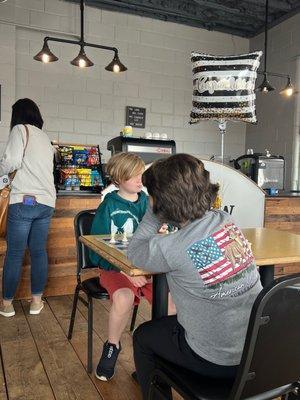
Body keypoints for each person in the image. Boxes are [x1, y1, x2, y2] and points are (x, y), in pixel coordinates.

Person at [127, 153, 263, 400]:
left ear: (162, 202)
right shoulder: (226, 222)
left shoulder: (170, 248)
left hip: (215, 361)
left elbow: (135, 252)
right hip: (256, 351)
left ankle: (153, 383)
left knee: (144, 337)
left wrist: (152, 212)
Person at [89, 152, 151, 382]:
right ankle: (112, 346)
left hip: (146, 269)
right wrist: (128, 273)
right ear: (118, 179)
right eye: (133, 175)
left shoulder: (147, 201)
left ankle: (155, 357)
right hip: (115, 269)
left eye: (140, 174)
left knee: (172, 299)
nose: (139, 179)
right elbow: (98, 249)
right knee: (124, 298)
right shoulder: (108, 206)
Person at [0, 98, 56, 318]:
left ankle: (6, 305)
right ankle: (36, 302)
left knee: (15, 253)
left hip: (24, 200)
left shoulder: (20, 130)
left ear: (17, 115)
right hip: (46, 202)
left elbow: (11, 162)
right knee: (38, 251)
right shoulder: (45, 139)